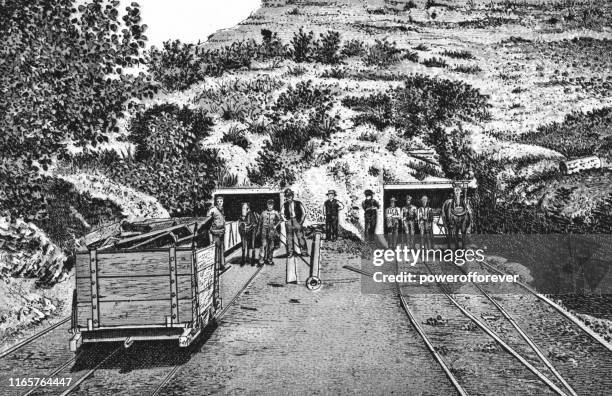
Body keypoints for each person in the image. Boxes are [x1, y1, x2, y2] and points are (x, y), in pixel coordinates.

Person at [282, 188, 309, 257]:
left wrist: (301, 221)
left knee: (300, 237)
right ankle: (290, 252)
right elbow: (281, 213)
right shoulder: (285, 205)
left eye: (290, 196)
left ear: (292, 196)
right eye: (287, 196)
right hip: (289, 221)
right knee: (289, 238)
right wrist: (286, 220)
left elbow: (304, 213)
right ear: (286, 197)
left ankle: (304, 252)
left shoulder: (298, 203)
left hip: (297, 221)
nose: (289, 198)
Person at [259, 199, 282, 266]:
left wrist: (276, 226)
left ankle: (270, 259)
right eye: (269, 205)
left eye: (271, 205)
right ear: (267, 205)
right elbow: (260, 222)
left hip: (271, 231)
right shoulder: (263, 213)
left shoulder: (275, 213)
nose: (270, 206)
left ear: (273, 205)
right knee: (263, 245)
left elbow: (280, 220)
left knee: (271, 246)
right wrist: (259, 230)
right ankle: (261, 259)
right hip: (264, 230)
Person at [207, 195, 226, 270]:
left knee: (221, 248)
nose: (219, 203)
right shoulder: (213, 210)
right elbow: (208, 220)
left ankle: (222, 264)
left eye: (221, 201)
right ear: (216, 202)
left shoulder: (222, 209)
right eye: (218, 202)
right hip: (215, 232)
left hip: (222, 231)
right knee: (216, 248)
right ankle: (217, 265)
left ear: (223, 202)